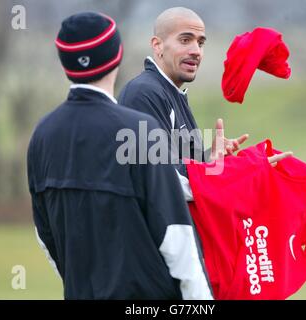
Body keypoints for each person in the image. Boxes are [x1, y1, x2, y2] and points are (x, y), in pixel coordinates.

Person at [27, 12, 213, 300]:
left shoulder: (42, 135)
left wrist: (79, 281)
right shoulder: (137, 129)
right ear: (116, 57)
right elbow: (175, 232)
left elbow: (44, 233)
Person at [118, 7, 291, 199]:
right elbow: (161, 179)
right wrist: (240, 173)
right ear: (157, 45)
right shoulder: (144, 93)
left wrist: (212, 159)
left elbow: (184, 167)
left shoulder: (172, 93)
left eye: (200, 43)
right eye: (185, 40)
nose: (196, 51)